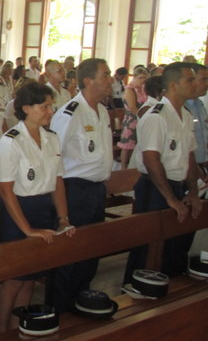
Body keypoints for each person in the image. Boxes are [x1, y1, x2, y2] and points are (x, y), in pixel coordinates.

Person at [0, 81, 75, 333]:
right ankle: (2, 333)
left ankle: (19, 329)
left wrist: (63, 218)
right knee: (14, 279)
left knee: (29, 279)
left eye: (51, 106)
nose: (51, 111)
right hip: (16, 212)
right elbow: (5, 190)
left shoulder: (51, 138)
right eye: (45, 106)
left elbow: (57, 181)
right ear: (26, 108)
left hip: (42, 209)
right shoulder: (11, 142)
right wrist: (27, 230)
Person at [125, 62, 202, 282]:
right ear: (173, 85)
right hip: (155, 187)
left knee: (171, 247)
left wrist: (193, 192)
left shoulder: (185, 115)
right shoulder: (156, 115)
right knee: (147, 248)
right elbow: (151, 159)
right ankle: (137, 291)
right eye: (190, 79)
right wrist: (170, 198)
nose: (195, 83)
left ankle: (166, 291)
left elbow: (188, 156)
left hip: (176, 185)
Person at [48, 58, 114, 313]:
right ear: (88, 80)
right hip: (74, 190)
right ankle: (60, 309)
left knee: (90, 252)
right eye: (105, 75)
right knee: (69, 255)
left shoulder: (103, 111)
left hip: (96, 190)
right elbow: (54, 156)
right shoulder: (70, 112)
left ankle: (82, 302)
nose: (110, 80)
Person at [117, 66, 149, 169]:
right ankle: (122, 167)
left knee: (137, 144)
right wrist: (144, 117)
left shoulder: (143, 90)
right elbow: (132, 107)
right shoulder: (130, 90)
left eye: (145, 78)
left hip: (141, 118)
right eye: (140, 78)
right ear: (134, 77)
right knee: (127, 145)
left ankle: (133, 166)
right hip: (132, 119)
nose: (143, 80)